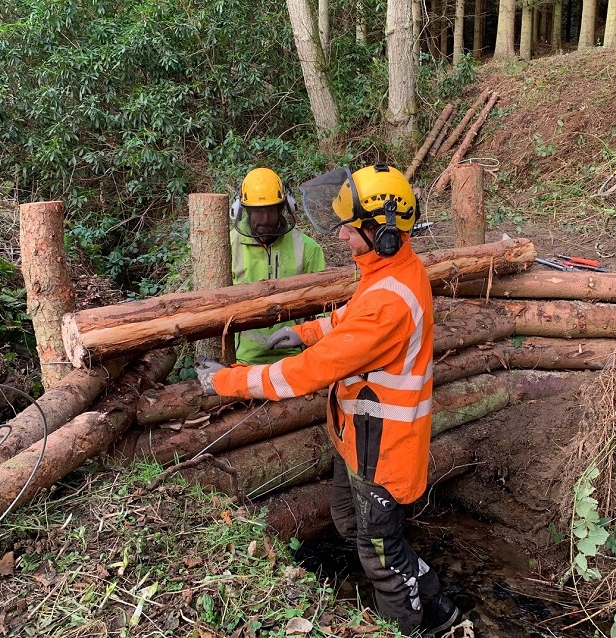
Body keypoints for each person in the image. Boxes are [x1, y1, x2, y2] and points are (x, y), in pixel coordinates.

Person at [196, 164, 461, 636]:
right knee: (351, 523)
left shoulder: (390, 300)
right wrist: (303, 330)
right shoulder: (388, 271)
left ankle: (424, 623)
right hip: (357, 434)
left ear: (381, 232)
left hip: (383, 447)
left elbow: (304, 373)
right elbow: (349, 320)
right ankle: (432, 601)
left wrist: (226, 382)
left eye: (348, 226)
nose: (339, 236)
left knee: (382, 554)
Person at [229, 167, 326, 365]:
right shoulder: (228, 247)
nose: (265, 219)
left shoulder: (308, 248)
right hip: (243, 360)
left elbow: (325, 310)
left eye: (271, 210)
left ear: (285, 207)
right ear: (242, 209)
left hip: (295, 359)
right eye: (258, 211)